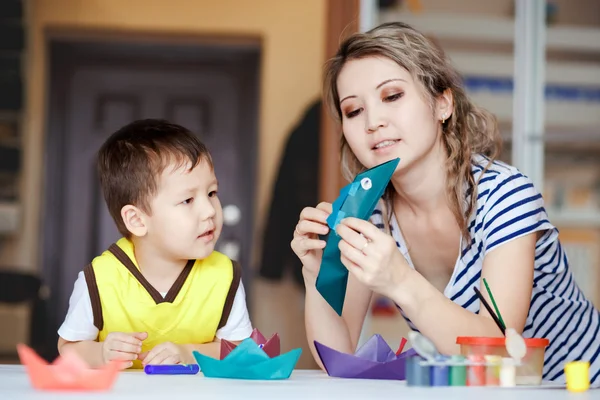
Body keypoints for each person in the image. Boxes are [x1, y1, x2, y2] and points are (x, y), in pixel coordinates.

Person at [292, 22, 600, 383]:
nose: (373, 122)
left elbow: (500, 352)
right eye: (353, 111)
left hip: (579, 386)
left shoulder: (505, 194)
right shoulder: (371, 213)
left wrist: (400, 280)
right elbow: (339, 358)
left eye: (391, 96)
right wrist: (315, 277)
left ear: (443, 103)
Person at [57, 119, 252, 369]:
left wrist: (188, 352)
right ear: (137, 220)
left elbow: (239, 351)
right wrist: (102, 353)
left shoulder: (225, 277)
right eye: (188, 200)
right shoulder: (100, 279)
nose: (209, 211)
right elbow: (69, 348)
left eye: (212, 193)